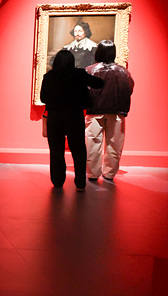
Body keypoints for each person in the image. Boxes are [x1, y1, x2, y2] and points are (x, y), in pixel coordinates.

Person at [39, 49, 104, 191]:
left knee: (56, 150)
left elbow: (43, 98)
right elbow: (99, 83)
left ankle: (57, 181)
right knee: (78, 150)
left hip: (55, 118)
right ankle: (80, 182)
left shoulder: (49, 76)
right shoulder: (79, 74)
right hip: (75, 116)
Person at [84, 40, 134, 182]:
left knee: (92, 143)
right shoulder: (123, 71)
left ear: (98, 52)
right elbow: (129, 89)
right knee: (114, 143)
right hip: (117, 111)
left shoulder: (90, 70)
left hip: (94, 111)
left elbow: (84, 90)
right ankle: (109, 173)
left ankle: (93, 173)